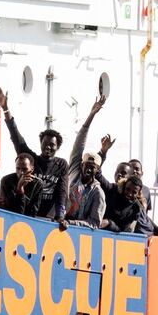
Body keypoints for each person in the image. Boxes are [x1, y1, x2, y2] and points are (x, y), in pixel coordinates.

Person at [0, 88, 68, 219]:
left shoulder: (61, 164)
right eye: (45, 144)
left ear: (58, 147)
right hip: (28, 212)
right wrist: (6, 109)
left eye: (52, 145)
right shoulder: (31, 159)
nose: (48, 147)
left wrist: (60, 215)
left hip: (47, 218)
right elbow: (16, 137)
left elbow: (61, 192)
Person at [55, 96, 107, 229]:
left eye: (93, 167)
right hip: (58, 223)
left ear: (97, 170)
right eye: (87, 166)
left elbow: (94, 223)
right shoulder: (74, 171)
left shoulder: (98, 192)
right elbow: (79, 143)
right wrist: (91, 114)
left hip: (77, 233)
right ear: (81, 165)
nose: (89, 170)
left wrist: (71, 224)